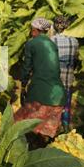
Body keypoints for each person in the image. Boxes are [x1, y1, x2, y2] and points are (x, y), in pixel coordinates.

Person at [16, 17, 66, 147]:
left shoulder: (31, 43)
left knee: (22, 127)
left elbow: (27, 67)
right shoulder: (52, 44)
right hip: (59, 95)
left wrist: (23, 84)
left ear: (34, 30)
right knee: (44, 137)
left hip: (41, 95)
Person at [51, 16, 79, 133]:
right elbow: (75, 60)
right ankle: (66, 127)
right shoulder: (74, 41)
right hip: (67, 78)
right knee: (66, 105)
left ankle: (53, 130)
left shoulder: (51, 40)